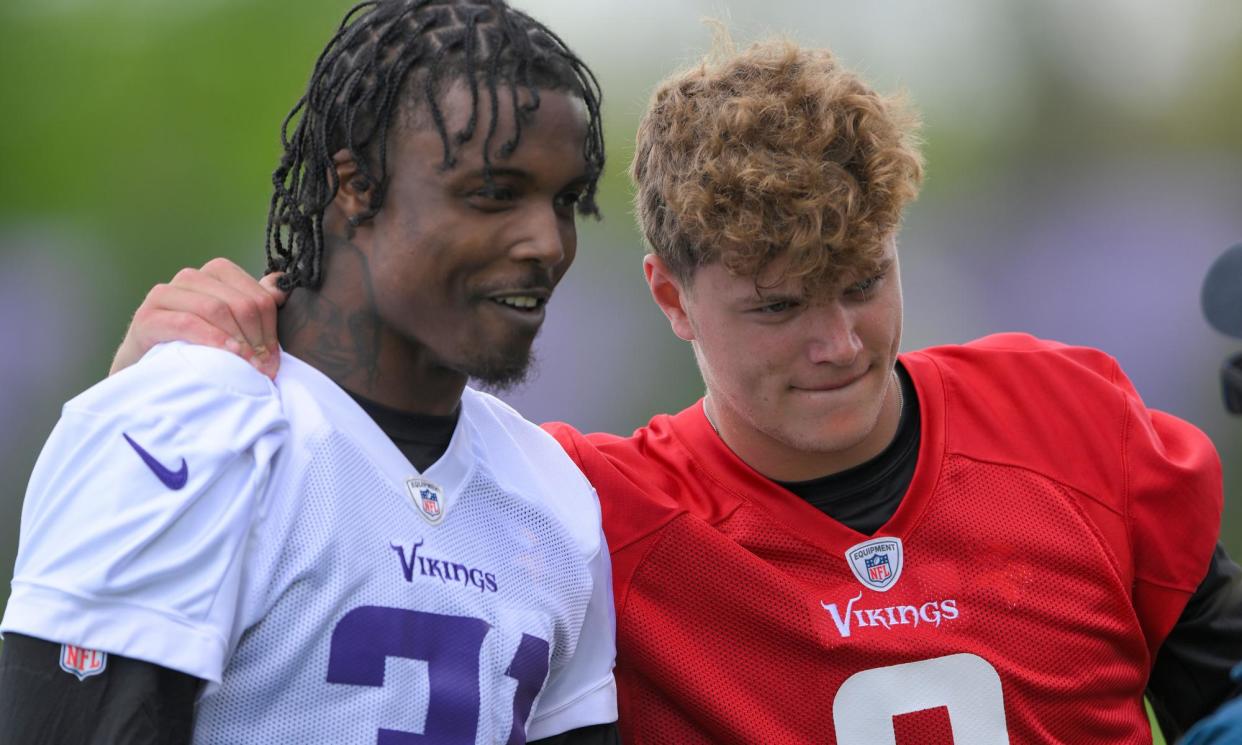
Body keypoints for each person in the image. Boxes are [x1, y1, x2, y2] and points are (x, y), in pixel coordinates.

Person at [92, 35, 1242, 743]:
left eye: (862, 283)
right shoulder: (581, 516)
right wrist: (173, 382)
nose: (839, 343)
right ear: (670, 297)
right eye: (779, 307)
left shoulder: (1074, 423)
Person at [0, 1, 621, 743]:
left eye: (565, 202)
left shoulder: (553, 494)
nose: (547, 243)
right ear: (357, 186)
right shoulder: (184, 426)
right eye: (495, 193)